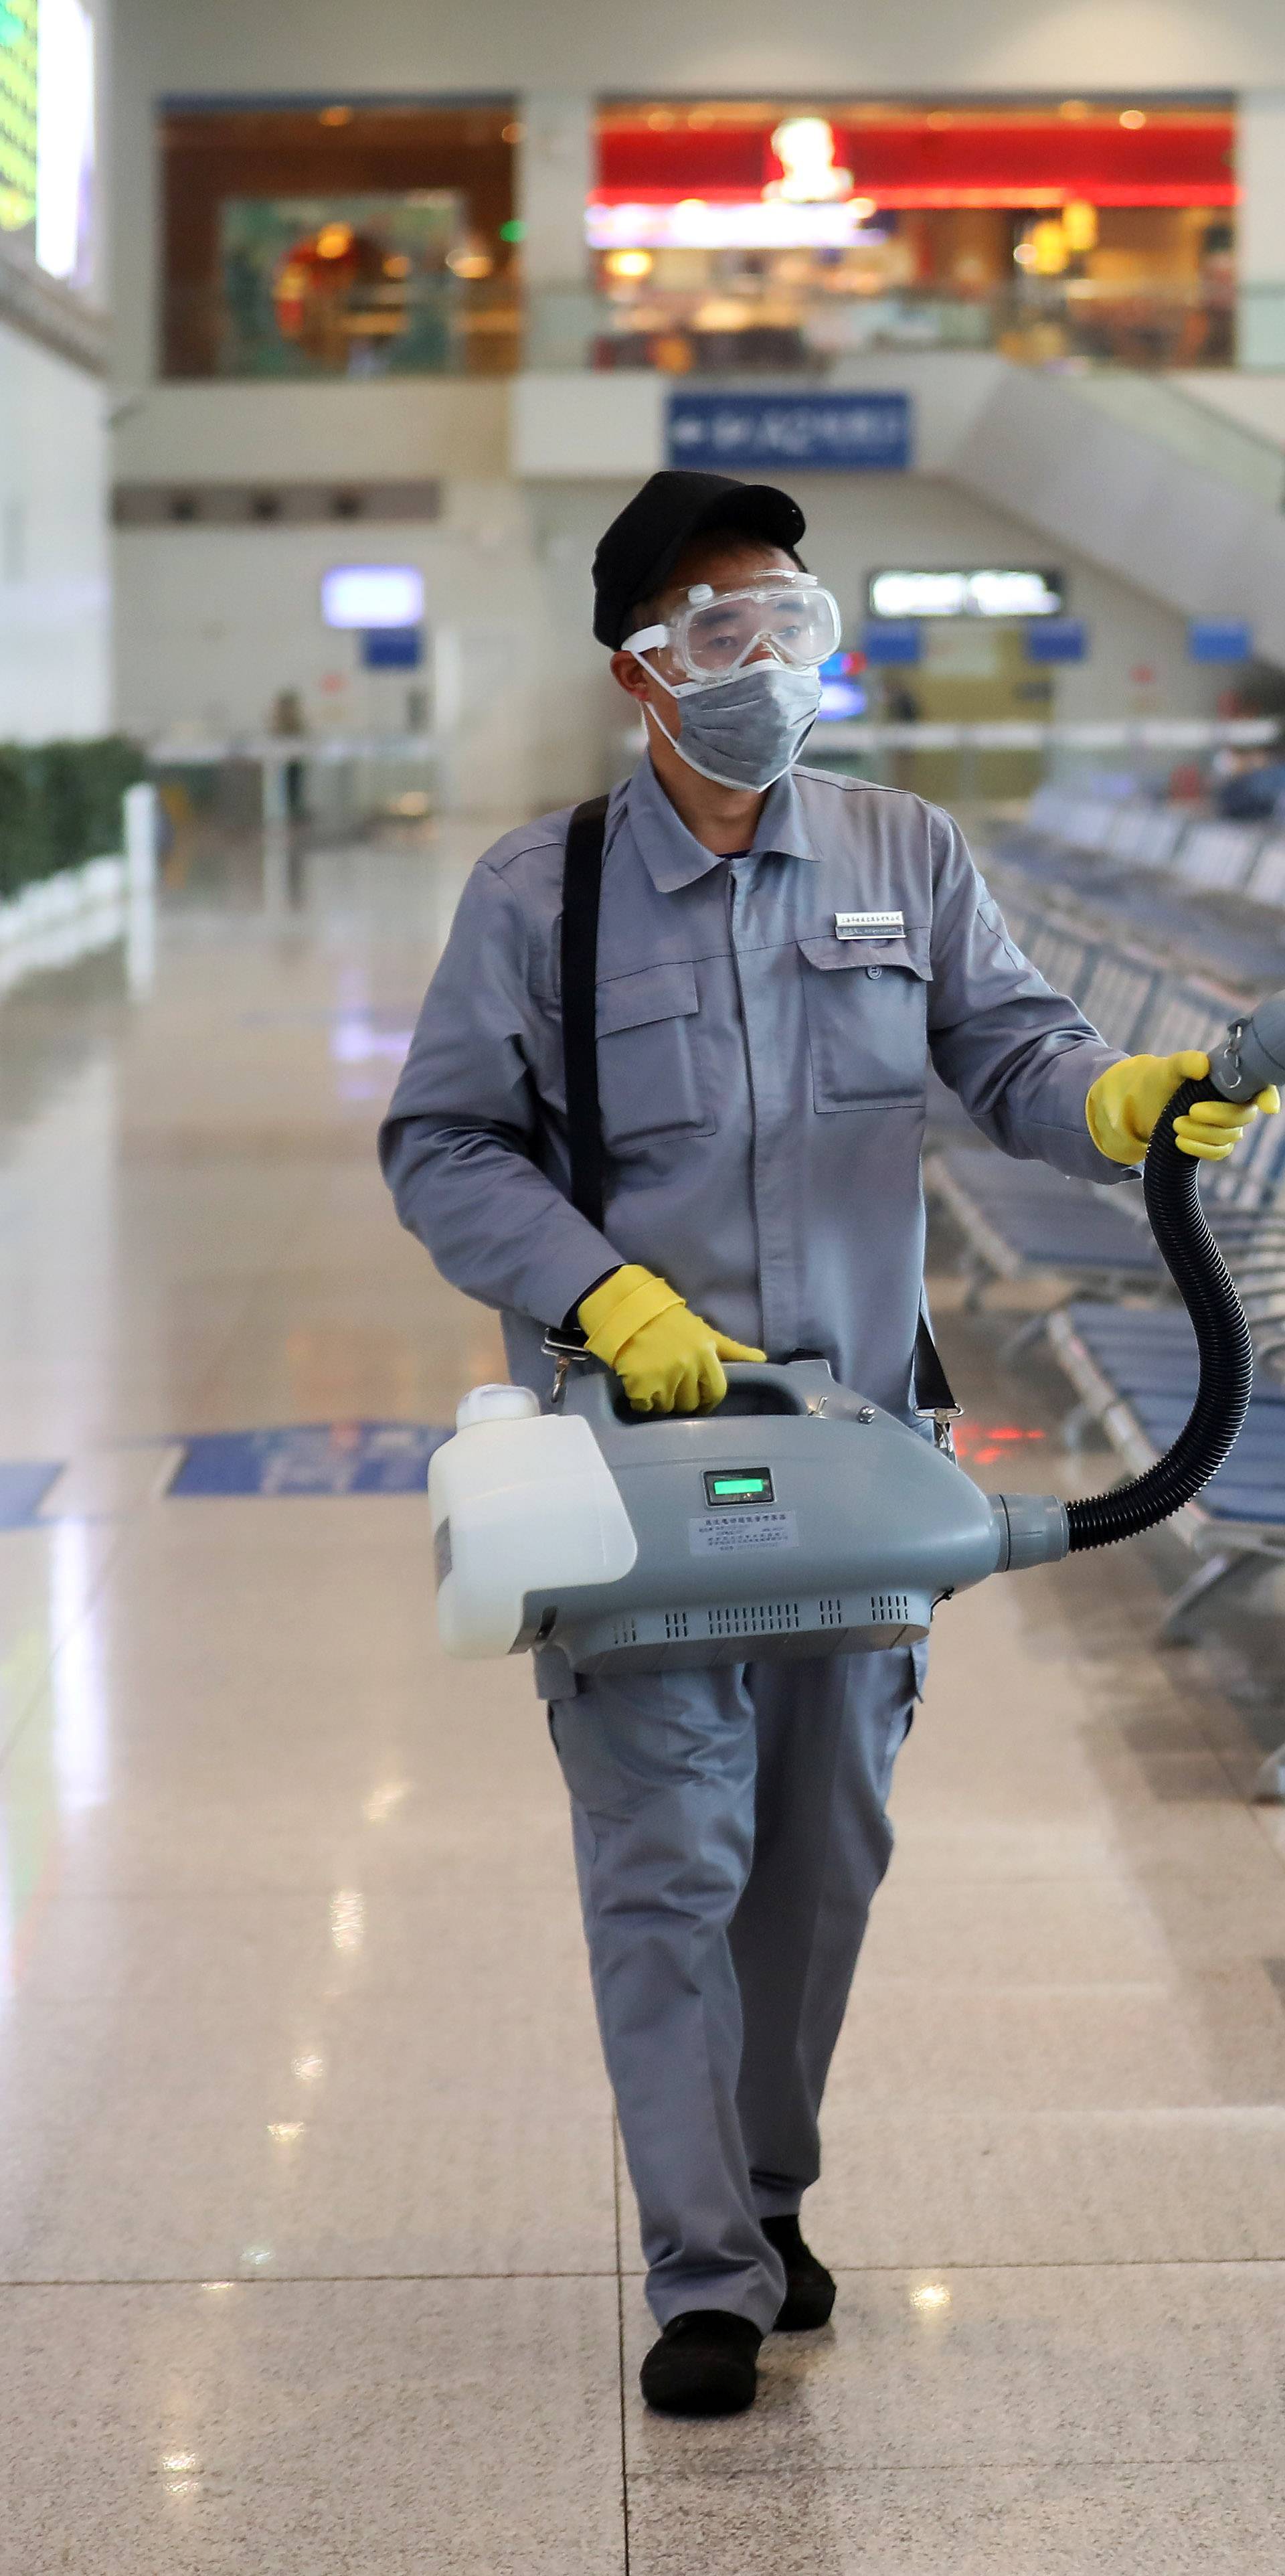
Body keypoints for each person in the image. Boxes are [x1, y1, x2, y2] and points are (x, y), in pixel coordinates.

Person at [379, 470, 1276, 2419]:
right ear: (639, 663)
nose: (768, 655)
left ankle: (767, 2193)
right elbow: (440, 1142)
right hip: (647, 1479)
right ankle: (704, 2269)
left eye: (793, 616)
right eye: (724, 624)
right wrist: (600, 1294)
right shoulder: (543, 895)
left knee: (822, 1862)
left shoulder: (903, 849)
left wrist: (1113, 1099)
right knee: (667, 1862)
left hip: (871, 1464)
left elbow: (1015, 1057)